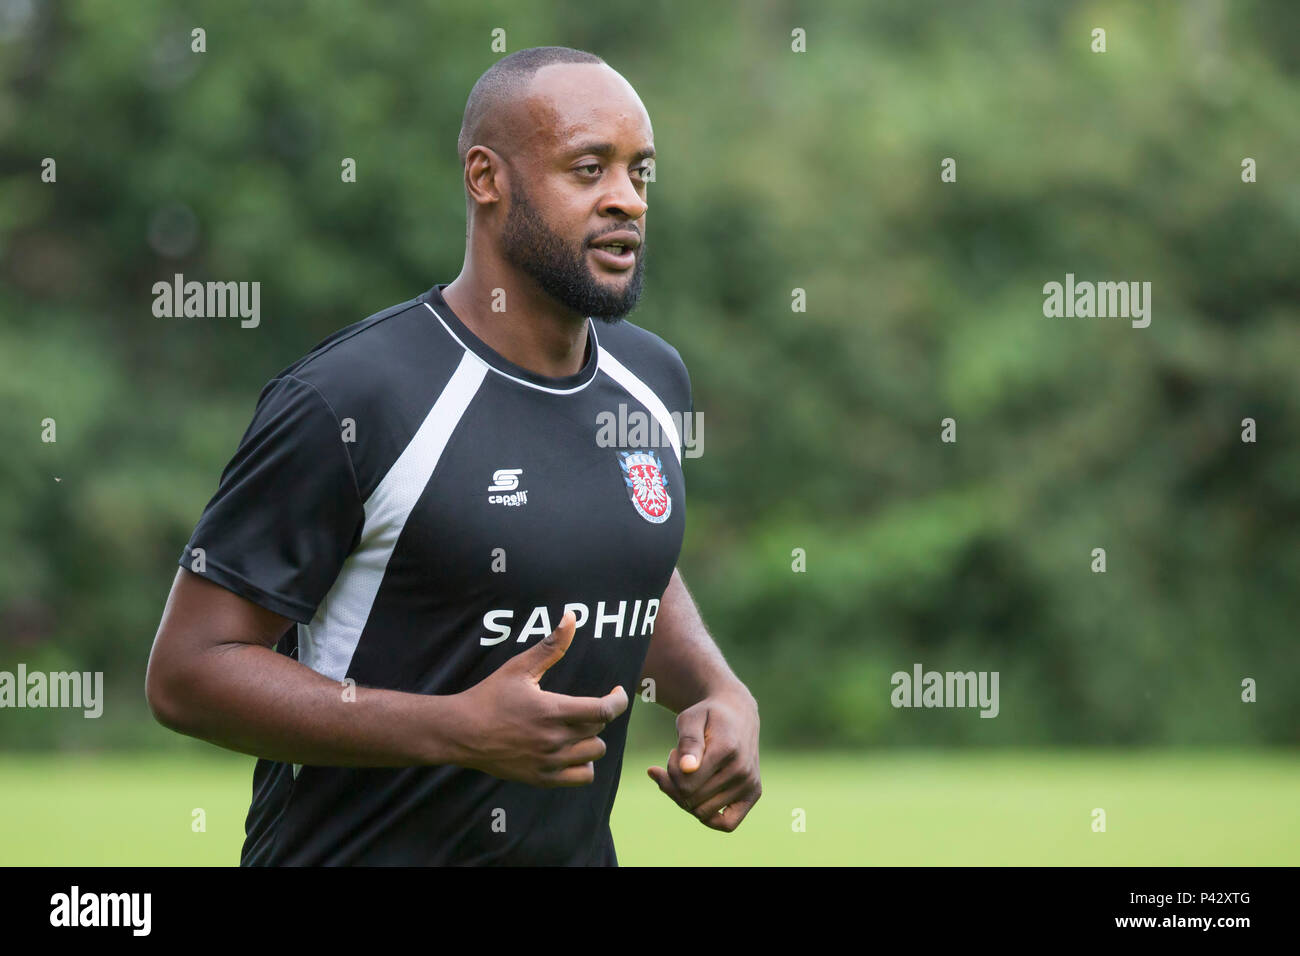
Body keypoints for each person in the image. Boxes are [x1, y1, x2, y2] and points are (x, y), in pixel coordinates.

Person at [146, 45, 760, 865]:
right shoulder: (354, 399)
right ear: (486, 178)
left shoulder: (652, 381)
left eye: (639, 173)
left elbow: (627, 558)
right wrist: (455, 731)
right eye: (588, 169)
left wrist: (718, 691)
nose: (627, 201)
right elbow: (188, 673)